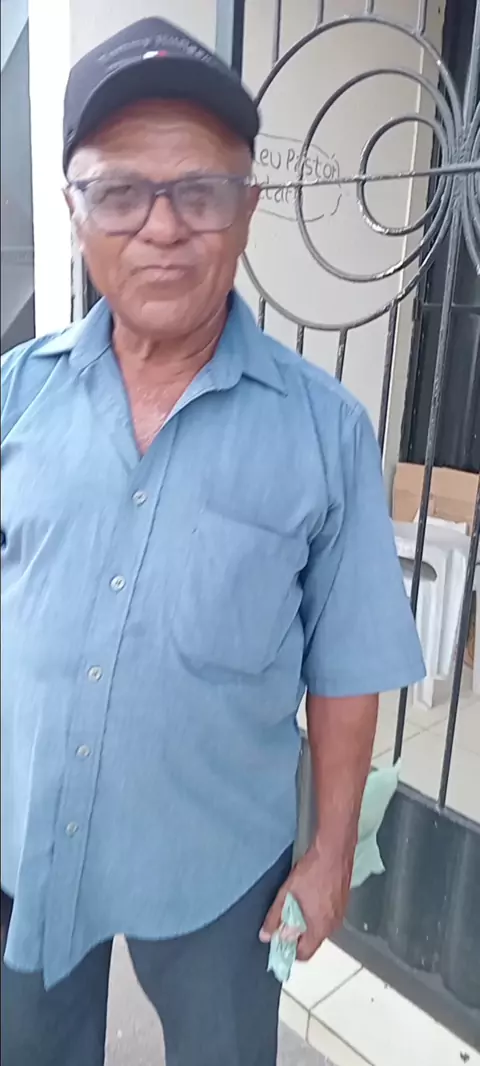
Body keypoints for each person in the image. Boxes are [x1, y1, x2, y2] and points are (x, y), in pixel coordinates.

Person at [0, 16, 425, 1066]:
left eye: (200, 191)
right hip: (25, 837)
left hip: (218, 868)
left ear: (248, 208)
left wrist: (330, 851)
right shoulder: (16, 397)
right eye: (119, 191)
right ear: (75, 209)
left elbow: (348, 667)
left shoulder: (324, 431)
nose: (162, 227)